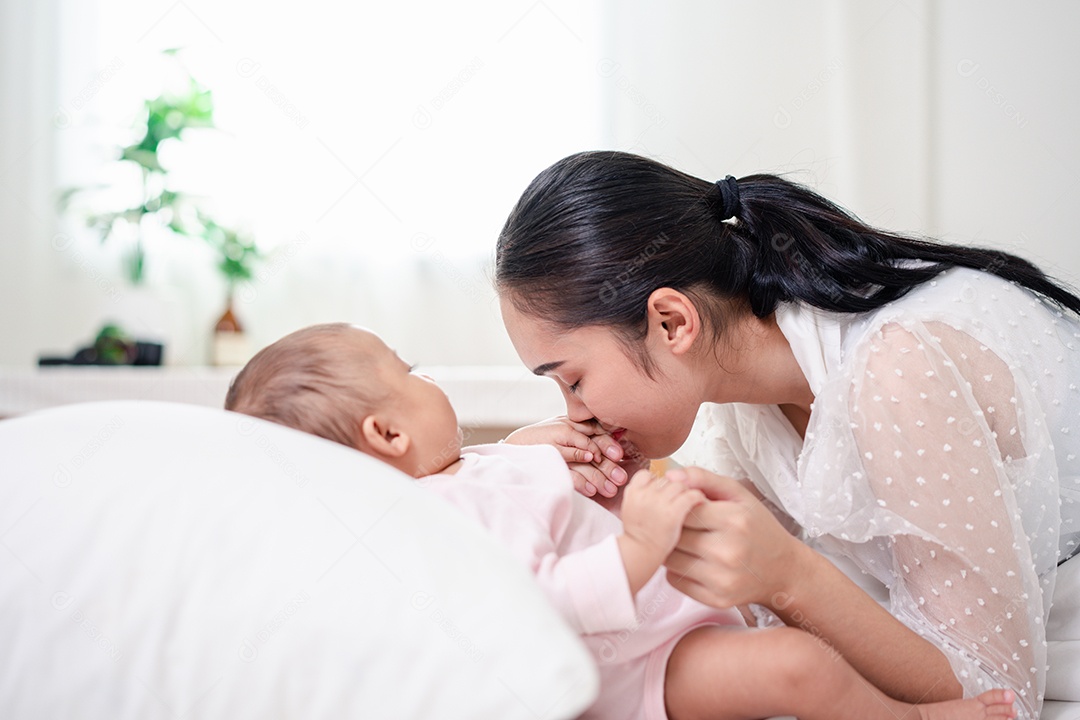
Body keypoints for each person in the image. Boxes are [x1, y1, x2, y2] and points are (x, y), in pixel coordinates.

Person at [493, 150, 1080, 720]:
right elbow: (731, 618)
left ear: (672, 323)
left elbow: (997, 701)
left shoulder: (896, 370)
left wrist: (791, 578)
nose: (576, 414)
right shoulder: (738, 394)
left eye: (572, 380)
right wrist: (534, 480)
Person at [224, 323, 1017, 720]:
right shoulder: (442, 521)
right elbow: (536, 603)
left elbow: (516, 481)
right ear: (388, 436)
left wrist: (551, 450)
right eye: (407, 374)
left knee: (793, 660)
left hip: (660, 633)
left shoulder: (458, 473)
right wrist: (639, 545)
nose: (426, 378)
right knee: (794, 668)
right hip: (632, 672)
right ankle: (914, 719)